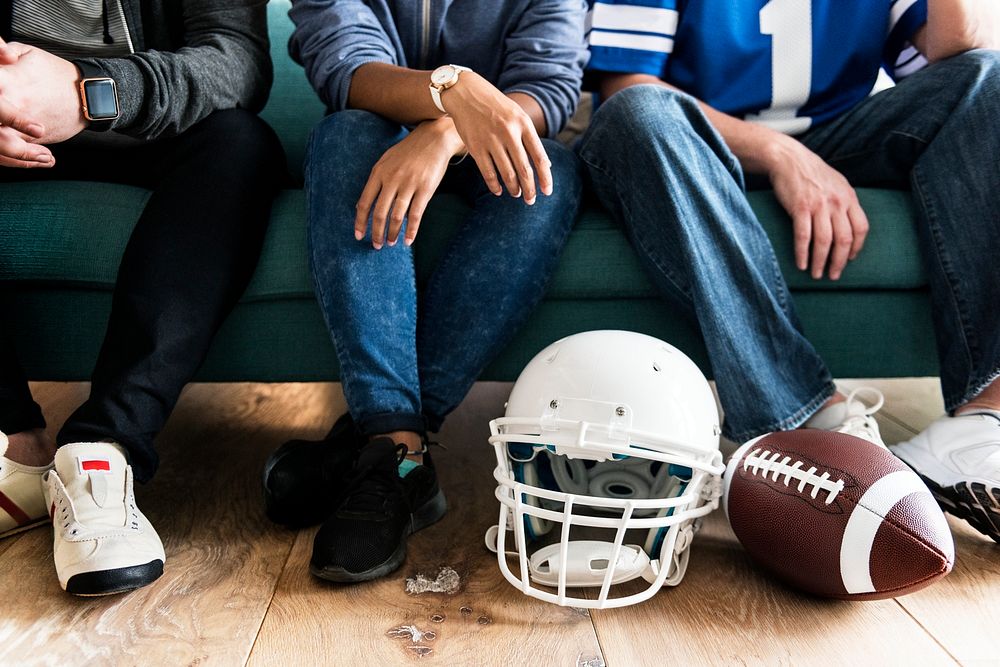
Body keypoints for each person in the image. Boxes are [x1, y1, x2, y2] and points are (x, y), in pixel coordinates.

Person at [577, 0, 999, 541]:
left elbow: (957, 57)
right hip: (693, 139)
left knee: (991, 77)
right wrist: (781, 154)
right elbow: (626, 84)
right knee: (637, 110)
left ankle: (981, 424)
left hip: (839, 137)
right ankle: (810, 426)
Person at [263, 0, 588, 582]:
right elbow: (347, 69)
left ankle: (373, 446)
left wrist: (446, 130)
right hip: (376, 136)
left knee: (550, 174)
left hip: (485, 149)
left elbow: (549, 88)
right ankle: (399, 452)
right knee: (345, 132)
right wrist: (452, 89)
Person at [0, 0, 283, 595]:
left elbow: (237, 61)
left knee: (241, 142)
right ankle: (15, 452)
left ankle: (100, 454)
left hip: (151, 125)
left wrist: (89, 93)